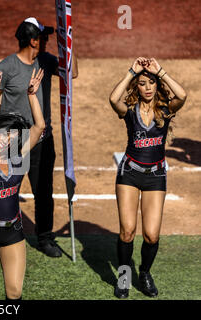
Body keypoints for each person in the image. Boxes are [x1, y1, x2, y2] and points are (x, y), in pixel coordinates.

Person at [0, 17, 78, 258]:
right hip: (12, 142)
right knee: (7, 190)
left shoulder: (46, 62)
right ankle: (2, 232)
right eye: (44, 36)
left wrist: (68, 46)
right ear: (33, 40)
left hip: (42, 140)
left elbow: (72, 73)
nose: (48, 40)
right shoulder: (5, 67)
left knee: (43, 191)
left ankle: (44, 237)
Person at [109, 57, 187, 298]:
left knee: (152, 235)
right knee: (127, 231)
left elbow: (182, 96)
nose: (148, 87)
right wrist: (131, 72)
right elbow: (113, 99)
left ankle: (144, 273)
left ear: (157, 84)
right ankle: (124, 276)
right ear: (137, 86)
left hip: (155, 176)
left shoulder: (166, 109)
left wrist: (160, 71)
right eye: (142, 83)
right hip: (129, 174)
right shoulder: (129, 112)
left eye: (151, 82)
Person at [0, 67, 45, 300]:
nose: (4, 140)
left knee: (14, 292)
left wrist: (32, 96)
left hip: (14, 231)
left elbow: (39, 127)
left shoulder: (19, 158)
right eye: (1, 135)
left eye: (10, 135)